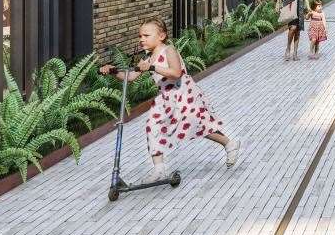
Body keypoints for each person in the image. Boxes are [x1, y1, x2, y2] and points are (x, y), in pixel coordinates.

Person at [99, 19, 240, 184]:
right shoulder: (148, 57)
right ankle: (159, 168)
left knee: (198, 124)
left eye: (146, 35)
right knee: (153, 127)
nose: (141, 39)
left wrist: (152, 68)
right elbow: (129, 77)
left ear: (161, 36)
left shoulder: (169, 50)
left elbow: (176, 72)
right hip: (164, 98)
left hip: (183, 93)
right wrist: (112, 71)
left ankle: (229, 144)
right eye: (140, 36)